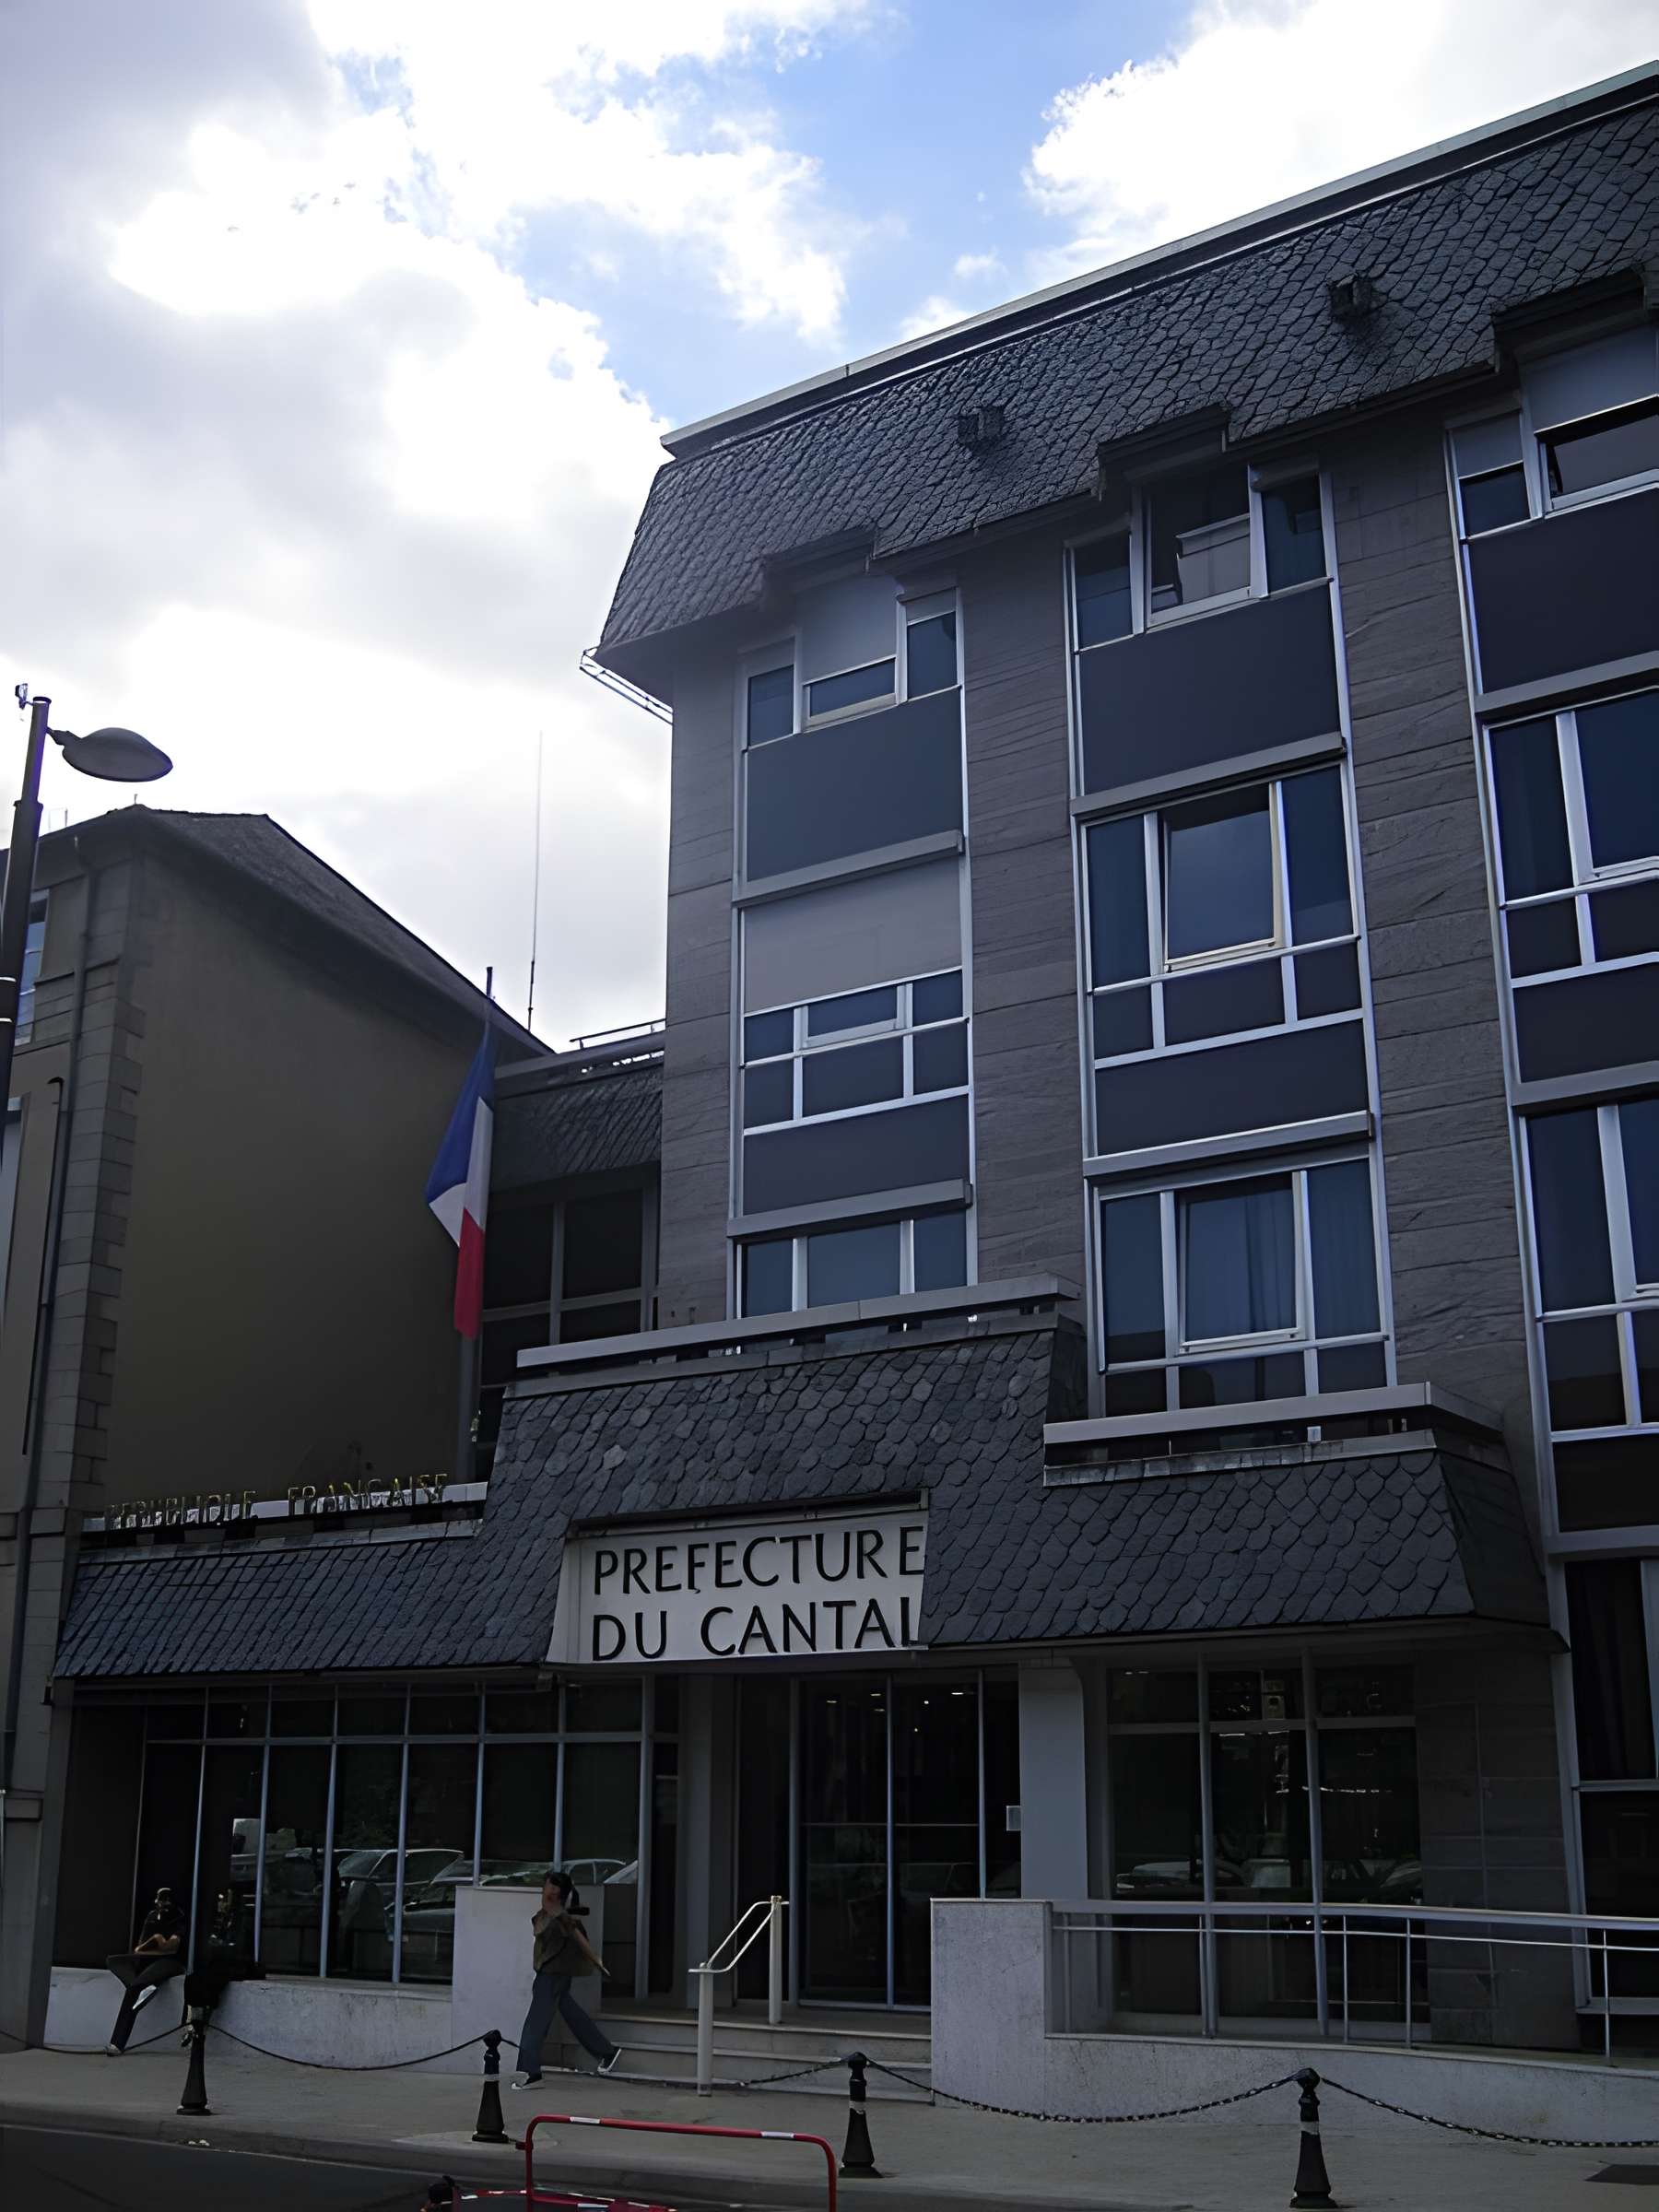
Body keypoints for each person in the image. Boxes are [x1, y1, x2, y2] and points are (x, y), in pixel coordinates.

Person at [512, 1870, 620, 2086]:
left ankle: (529, 2071)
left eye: (550, 1886)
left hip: (552, 1977)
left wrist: (597, 1963)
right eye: (547, 1885)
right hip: (551, 1976)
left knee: (535, 2023)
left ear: (556, 1891)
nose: (545, 1889)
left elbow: (579, 1939)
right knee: (572, 2015)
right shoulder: (549, 1913)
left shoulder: (560, 1916)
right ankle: (607, 2052)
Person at [105, 1886, 187, 2054]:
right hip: (147, 1960)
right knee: (114, 1961)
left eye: (164, 1901)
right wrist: (153, 1942)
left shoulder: (179, 1918)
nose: (161, 1905)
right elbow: (139, 1949)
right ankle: (145, 1988)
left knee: (134, 1989)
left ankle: (117, 2043)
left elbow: (172, 1948)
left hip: (169, 1961)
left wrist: (157, 1941)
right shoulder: (151, 1917)